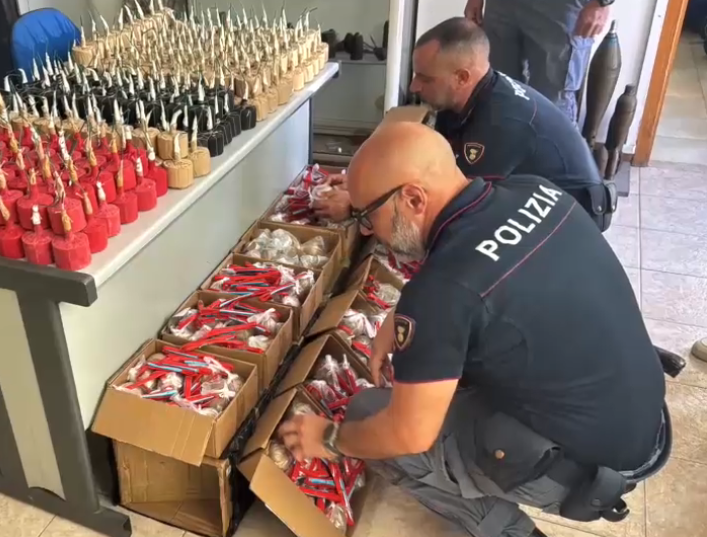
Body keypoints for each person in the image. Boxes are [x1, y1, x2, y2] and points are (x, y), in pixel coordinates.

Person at [279, 122, 668, 537]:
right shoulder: (535, 190)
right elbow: (491, 272)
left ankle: (512, 532)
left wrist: (331, 438)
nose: (366, 229)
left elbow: (408, 434)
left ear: (413, 199)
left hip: (589, 474)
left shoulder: (442, 292)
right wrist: (410, 311)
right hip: (644, 421)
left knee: (369, 417)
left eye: (368, 216)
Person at [315, 18, 614, 231]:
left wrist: (358, 205)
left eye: (425, 78)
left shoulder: (500, 123)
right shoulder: (460, 99)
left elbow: (457, 204)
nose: (414, 86)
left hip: (573, 219)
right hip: (533, 195)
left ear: (461, 77)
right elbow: (433, 165)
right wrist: (363, 182)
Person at [464, 0, 613, 122]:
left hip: (559, 9)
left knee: (553, 105)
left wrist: (601, 2)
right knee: (500, 92)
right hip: (502, 6)